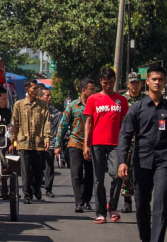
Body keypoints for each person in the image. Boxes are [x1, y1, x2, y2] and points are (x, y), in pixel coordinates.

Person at [118, 65, 167, 242]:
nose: (157, 82)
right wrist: (122, 161)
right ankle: (145, 238)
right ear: (147, 82)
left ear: (165, 82)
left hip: (164, 161)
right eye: (154, 79)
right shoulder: (137, 108)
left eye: (160, 79)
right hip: (142, 160)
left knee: (161, 201)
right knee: (142, 203)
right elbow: (125, 135)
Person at [83, 67, 128, 224]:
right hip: (97, 143)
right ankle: (100, 212)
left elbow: (124, 124)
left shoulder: (121, 100)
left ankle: (113, 207)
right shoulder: (93, 99)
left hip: (116, 144)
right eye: (104, 83)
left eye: (110, 83)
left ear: (114, 80)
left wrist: (125, 144)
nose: (107, 86)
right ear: (100, 82)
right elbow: (88, 122)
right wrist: (86, 145)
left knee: (117, 175)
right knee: (98, 180)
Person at [55, 78, 95, 213]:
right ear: (83, 90)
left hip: (91, 143)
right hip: (75, 142)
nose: (94, 92)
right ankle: (78, 201)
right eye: (92, 89)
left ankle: (86, 200)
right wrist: (58, 144)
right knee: (76, 173)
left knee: (90, 174)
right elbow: (63, 125)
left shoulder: (95, 105)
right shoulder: (72, 106)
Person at [9, 78, 51, 204]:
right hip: (23, 143)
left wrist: (47, 137)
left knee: (38, 170)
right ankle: (27, 194)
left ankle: (37, 187)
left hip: (38, 143)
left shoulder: (43, 105)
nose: (36, 90)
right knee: (26, 170)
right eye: (34, 88)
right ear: (27, 89)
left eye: (37, 88)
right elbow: (14, 124)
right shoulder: (19, 105)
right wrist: (13, 141)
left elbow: (46, 122)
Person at [120, 71, 147, 213]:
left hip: (142, 141)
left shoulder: (146, 100)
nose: (134, 85)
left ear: (141, 84)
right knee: (126, 171)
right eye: (132, 83)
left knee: (141, 171)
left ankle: (141, 200)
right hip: (127, 141)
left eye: (137, 82)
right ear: (128, 84)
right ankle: (127, 200)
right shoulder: (123, 100)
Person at [39, 86, 61, 198]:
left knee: (49, 166)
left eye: (50, 95)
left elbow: (58, 130)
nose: (50, 97)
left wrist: (58, 145)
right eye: (47, 95)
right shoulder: (35, 111)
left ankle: (48, 188)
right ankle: (36, 186)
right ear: (40, 97)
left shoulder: (56, 113)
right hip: (37, 143)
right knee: (36, 166)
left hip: (50, 143)